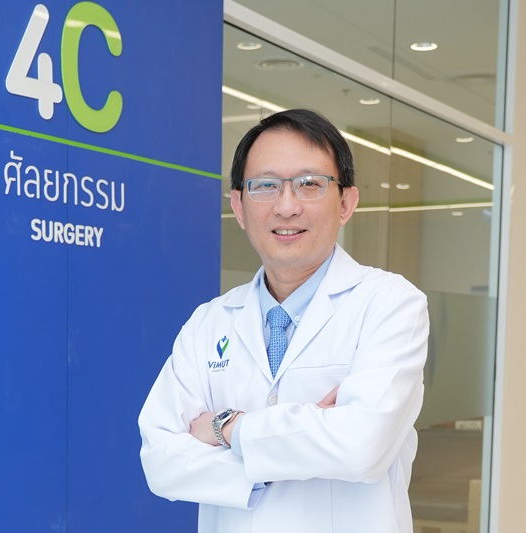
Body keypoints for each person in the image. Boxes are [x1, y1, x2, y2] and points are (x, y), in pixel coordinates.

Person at [138, 108, 429, 532]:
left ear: (346, 202)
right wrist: (297, 447)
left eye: (310, 184)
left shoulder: (390, 304)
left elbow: (362, 446)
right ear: (238, 207)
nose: (287, 206)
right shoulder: (208, 323)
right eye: (265, 186)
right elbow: (160, 459)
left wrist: (226, 428)